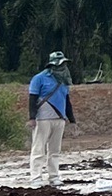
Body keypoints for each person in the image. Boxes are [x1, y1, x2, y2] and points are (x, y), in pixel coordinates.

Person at [25, 51, 76, 187]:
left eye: (64, 64)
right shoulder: (39, 78)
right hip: (42, 119)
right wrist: (32, 117)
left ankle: (54, 176)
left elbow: (67, 100)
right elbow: (32, 99)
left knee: (55, 150)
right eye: (60, 64)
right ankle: (36, 177)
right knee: (38, 149)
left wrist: (72, 119)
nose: (63, 66)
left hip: (59, 119)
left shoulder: (65, 80)